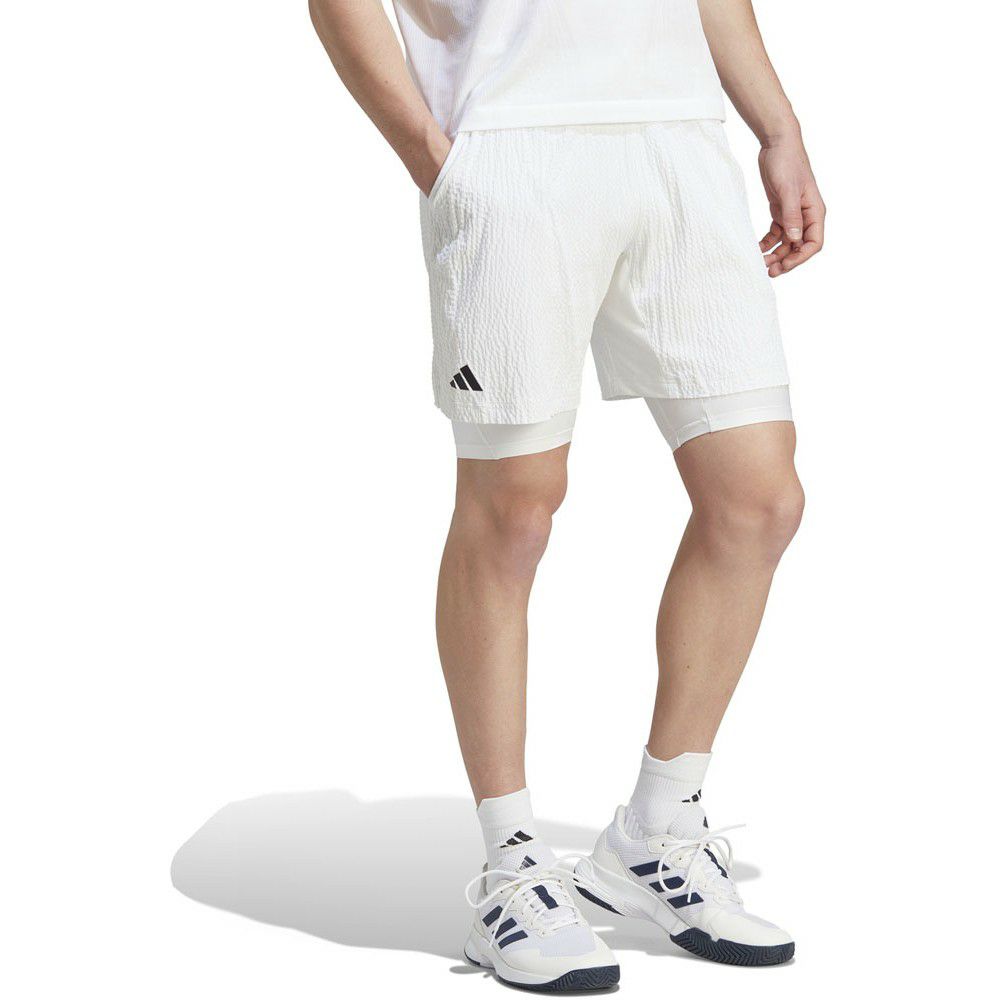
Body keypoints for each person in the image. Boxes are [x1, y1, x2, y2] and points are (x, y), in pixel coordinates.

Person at [310, 0, 824, 989]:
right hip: (513, 142)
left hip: (677, 137)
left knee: (759, 499)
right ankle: (512, 864)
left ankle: (656, 832)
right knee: (514, 512)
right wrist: (432, 155)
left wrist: (778, 128)